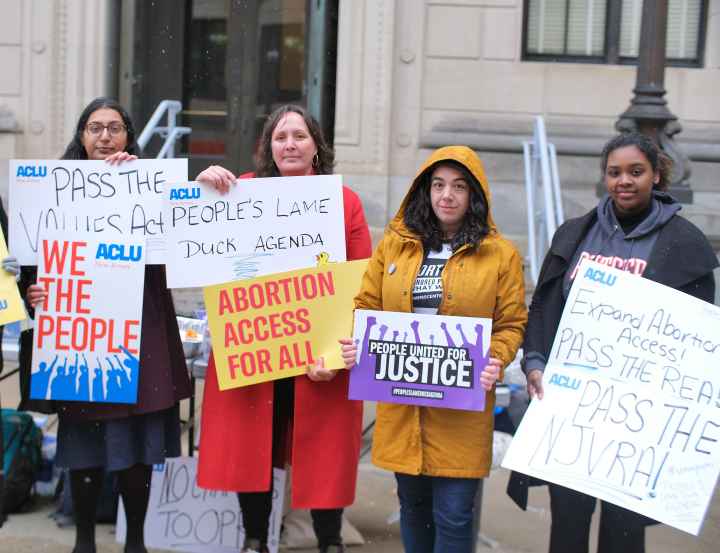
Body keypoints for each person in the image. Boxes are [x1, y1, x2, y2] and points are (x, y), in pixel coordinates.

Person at [506, 131, 719, 553]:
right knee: (567, 515)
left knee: (624, 526)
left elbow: (697, 337)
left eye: (636, 172)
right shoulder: (575, 234)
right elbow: (545, 306)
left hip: (639, 417)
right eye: (615, 172)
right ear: (604, 177)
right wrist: (534, 362)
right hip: (573, 410)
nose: (625, 181)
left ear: (657, 175)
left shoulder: (685, 244)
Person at [196, 104, 372, 553]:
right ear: (267, 148)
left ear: (316, 146)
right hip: (258, 345)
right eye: (280, 137)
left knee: (324, 448)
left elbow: (361, 281)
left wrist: (334, 355)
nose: (289, 144)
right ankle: (254, 537)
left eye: (298, 136)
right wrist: (205, 189)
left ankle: (328, 539)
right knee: (253, 444)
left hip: (320, 353)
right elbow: (199, 242)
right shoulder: (239, 191)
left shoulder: (344, 201)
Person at [22, 97, 192, 553]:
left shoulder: (150, 183)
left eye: (114, 128)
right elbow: (32, 267)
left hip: (142, 328)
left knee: (137, 444)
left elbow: (186, 241)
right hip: (82, 337)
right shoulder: (53, 192)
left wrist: (143, 183)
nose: (104, 137)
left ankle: (134, 541)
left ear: (128, 135)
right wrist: (33, 293)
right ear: (81, 136)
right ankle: (83, 542)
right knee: (84, 447)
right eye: (95, 128)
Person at [341, 145, 527, 553]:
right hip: (403, 405)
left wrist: (495, 358)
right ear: (424, 191)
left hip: (461, 408)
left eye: (459, 187)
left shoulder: (502, 255)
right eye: (439, 185)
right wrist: (359, 343)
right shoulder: (395, 246)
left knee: (456, 514)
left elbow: (511, 324)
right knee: (413, 507)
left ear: (474, 195)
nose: (447, 195)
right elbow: (366, 305)